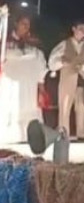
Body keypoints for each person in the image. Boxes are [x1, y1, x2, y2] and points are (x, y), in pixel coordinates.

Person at [48, 20, 84, 140]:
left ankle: (81, 134)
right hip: (67, 78)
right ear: (74, 29)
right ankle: (63, 134)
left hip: (82, 78)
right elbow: (52, 62)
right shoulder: (64, 44)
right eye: (81, 28)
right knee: (65, 106)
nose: (83, 31)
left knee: (81, 106)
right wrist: (62, 62)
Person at [0, 15, 48, 144]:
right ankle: (10, 135)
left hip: (29, 84)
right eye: (23, 23)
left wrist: (41, 88)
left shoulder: (33, 43)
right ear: (16, 23)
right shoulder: (5, 41)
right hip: (11, 83)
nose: (26, 27)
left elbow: (41, 64)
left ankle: (29, 135)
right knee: (13, 105)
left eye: (28, 24)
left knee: (29, 107)